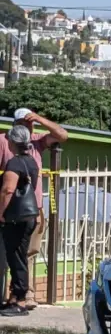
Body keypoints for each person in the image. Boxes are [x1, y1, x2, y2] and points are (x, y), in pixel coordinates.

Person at [1, 108, 68, 309]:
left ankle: (22, 294)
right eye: (23, 122)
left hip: (31, 209)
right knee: (10, 254)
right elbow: (7, 188)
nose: (28, 126)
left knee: (26, 253)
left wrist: (40, 119)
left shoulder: (36, 142)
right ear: (15, 124)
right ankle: (15, 295)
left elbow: (62, 135)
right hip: (9, 210)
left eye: (30, 123)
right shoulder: (5, 142)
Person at [0, 126, 41, 316]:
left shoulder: (14, 163)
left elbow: (8, 190)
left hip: (16, 217)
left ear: (13, 142)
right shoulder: (31, 161)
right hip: (28, 216)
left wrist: (1, 213)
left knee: (17, 259)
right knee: (19, 257)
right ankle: (15, 298)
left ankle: (20, 301)